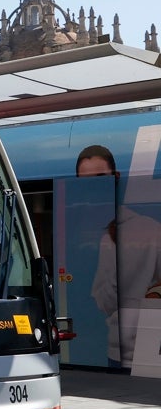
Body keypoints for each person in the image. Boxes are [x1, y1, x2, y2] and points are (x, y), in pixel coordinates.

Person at [80, 144, 161, 368]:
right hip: (140, 345)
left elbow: (104, 301)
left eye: (100, 179)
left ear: (115, 177)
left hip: (122, 349)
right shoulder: (151, 228)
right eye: (86, 182)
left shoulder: (109, 238)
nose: (94, 188)